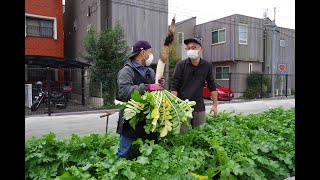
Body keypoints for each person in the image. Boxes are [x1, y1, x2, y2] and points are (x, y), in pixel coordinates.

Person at [115, 40, 165, 160]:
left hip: (148, 118)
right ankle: (118, 173)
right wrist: (147, 87)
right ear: (143, 53)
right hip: (131, 119)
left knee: (151, 150)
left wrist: (160, 85)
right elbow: (124, 92)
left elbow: (156, 91)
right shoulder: (126, 71)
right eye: (150, 52)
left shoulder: (150, 72)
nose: (151, 55)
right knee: (123, 152)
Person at [170, 37, 218, 133]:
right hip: (182, 106)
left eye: (194, 47)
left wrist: (215, 105)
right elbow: (174, 87)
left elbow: (212, 86)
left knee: (200, 135)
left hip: (199, 106)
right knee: (182, 136)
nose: (191, 50)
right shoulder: (181, 65)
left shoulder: (207, 65)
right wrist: (173, 106)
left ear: (200, 49)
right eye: (188, 48)